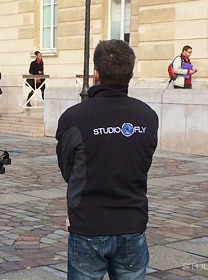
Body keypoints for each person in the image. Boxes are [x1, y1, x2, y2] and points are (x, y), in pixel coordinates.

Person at [55, 40, 159, 279]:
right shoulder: (147, 117)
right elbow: (143, 161)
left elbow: (67, 170)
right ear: (131, 74)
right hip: (131, 224)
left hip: (90, 225)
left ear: (96, 74)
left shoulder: (74, 118)